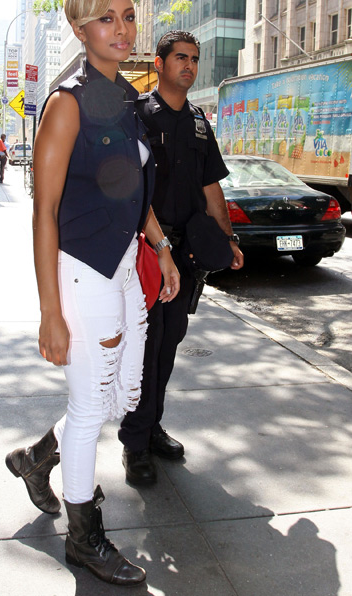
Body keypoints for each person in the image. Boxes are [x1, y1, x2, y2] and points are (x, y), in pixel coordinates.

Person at [4, 0, 180, 586]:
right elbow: (43, 212)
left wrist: (161, 246)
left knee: (119, 396)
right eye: (108, 19)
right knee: (88, 410)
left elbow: (134, 191)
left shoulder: (128, 99)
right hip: (82, 274)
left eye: (128, 16)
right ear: (80, 31)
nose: (123, 28)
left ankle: (34, 459)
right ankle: (85, 537)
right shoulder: (67, 103)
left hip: (126, 268)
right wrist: (50, 312)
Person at [118, 30, 244, 485]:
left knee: (168, 345)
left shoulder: (197, 122)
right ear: (159, 63)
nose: (189, 66)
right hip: (149, 252)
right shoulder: (137, 115)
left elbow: (212, 188)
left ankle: (151, 428)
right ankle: (134, 444)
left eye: (194, 59)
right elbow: (129, 187)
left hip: (186, 257)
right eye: (180, 58)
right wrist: (156, 245)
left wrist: (229, 241)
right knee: (144, 350)